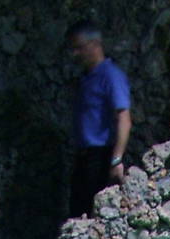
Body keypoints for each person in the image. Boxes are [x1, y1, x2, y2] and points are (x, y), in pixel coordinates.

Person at [65, 20, 132, 219]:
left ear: (95, 45)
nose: (75, 54)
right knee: (78, 211)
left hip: (100, 156)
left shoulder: (110, 76)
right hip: (84, 155)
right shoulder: (87, 78)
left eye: (79, 48)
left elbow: (124, 118)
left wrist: (116, 159)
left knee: (95, 213)